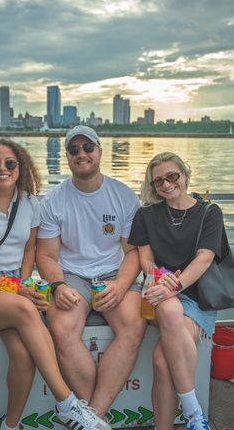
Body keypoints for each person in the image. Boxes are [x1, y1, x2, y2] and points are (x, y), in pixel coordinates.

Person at [0, 138, 110, 430]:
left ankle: (10, 426)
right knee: (25, 308)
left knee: (24, 358)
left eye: (10, 163)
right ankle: (67, 403)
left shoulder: (31, 204)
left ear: (20, 167)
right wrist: (17, 289)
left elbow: (29, 252)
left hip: (12, 290)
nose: (2, 169)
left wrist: (24, 284)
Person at [36, 125, 146, 419]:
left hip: (113, 272)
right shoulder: (53, 200)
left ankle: (92, 417)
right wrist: (58, 285)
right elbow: (46, 255)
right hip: (71, 275)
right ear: (67, 157)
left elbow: (132, 251)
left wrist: (122, 285)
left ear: (100, 151)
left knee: (134, 326)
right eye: (74, 150)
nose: (81, 154)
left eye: (88, 148)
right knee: (60, 328)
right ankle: (93, 419)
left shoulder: (123, 196)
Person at [128, 152, 224, 430]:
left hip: (195, 296)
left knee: (161, 361)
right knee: (169, 307)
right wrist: (161, 280)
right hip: (159, 291)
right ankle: (194, 413)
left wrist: (177, 285)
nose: (167, 184)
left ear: (185, 175)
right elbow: (145, 259)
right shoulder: (146, 215)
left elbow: (204, 258)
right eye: (159, 181)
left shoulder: (209, 212)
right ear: (152, 186)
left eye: (172, 176)